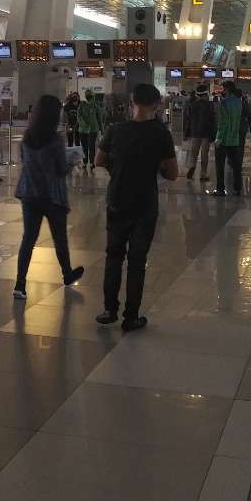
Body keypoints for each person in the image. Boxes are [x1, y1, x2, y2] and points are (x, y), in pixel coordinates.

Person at [95, 84, 178, 332]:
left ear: (132, 102)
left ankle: (109, 309)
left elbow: (99, 160)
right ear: (156, 105)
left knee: (113, 256)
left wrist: (118, 167)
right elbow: (173, 173)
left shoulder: (115, 129)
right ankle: (131, 317)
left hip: (117, 200)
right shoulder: (161, 133)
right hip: (145, 204)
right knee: (137, 261)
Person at [12, 95, 86, 299]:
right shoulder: (55, 140)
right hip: (53, 196)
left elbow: (24, 162)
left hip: (30, 194)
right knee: (59, 238)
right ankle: (67, 274)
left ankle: (20, 284)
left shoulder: (27, 137)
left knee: (28, 239)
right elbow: (61, 170)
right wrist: (73, 161)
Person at [211, 79, 246, 196]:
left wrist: (218, 138)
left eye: (222, 89)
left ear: (226, 89)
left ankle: (220, 189)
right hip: (234, 138)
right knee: (236, 165)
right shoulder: (238, 102)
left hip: (224, 139)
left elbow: (223, 122)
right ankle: (237, 188)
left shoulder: (224, 103)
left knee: (220, 165)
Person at [184, 85, 216, 181]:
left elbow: (188, 120)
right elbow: (212, 120)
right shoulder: (209, 105)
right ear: (206, 93)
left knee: (194, 153)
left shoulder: (192, 104)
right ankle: (203, 174)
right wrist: (213, 134)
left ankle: (192, 166)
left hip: (195, 132)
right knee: (204, 154)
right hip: (205, 133)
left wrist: (187, 133)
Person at [76, 89, 104, 172]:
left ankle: (88, 162)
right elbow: (99, 119)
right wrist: (102, 130)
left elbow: (79, 117)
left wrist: (83, 124)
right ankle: (90, 163)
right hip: (90, 129)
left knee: (87, 147)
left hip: (87, 130)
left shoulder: (86, 105)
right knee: (90, 147)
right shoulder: (91, 105)